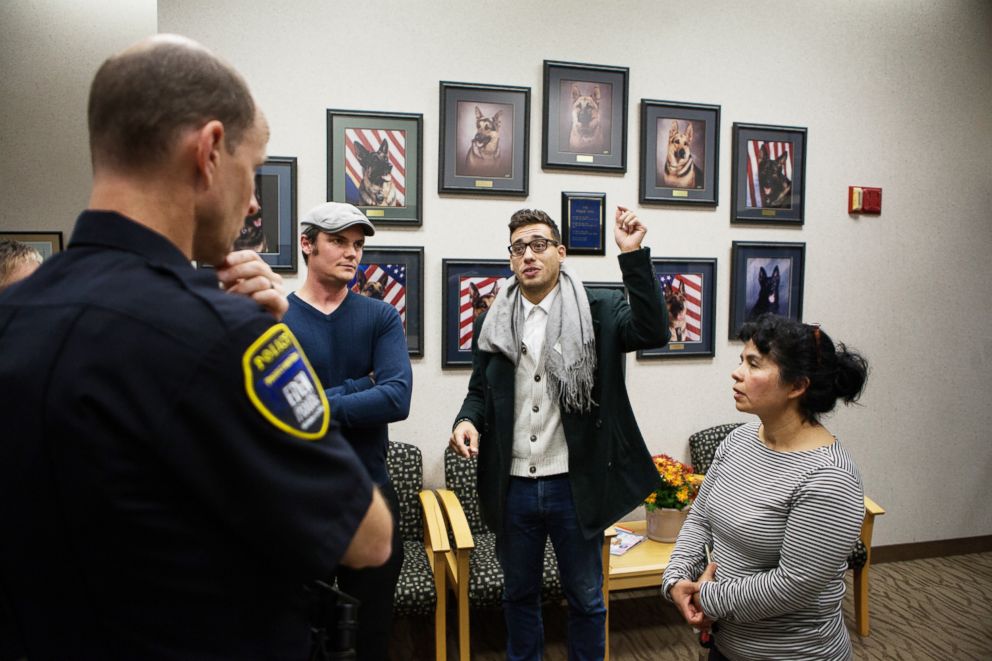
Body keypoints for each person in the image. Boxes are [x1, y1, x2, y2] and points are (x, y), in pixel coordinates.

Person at [0, 34, 393, 660]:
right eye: (254, 170)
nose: (256, 199)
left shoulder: (14, 314)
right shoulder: (229, 337)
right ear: (209, 151)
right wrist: (272, 339)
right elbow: (369, 537)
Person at [449, 207, 669, 660]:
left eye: (539, 244)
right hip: (513, 487)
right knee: (519, 597)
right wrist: (466, 422)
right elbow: (478, 394)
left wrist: (633, 256)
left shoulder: (599, 311)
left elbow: (654, 330)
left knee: (587, 599)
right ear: (510, 259)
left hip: (574, 483)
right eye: (518, 248)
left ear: (560, 253)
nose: (528, 254)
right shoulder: (494, 320)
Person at [662, 314, 870, 661]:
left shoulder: (830, 477)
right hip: (727, 645)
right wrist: (677, 577)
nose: (737, 372)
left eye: (753, 364)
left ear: (797, 386)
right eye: (740, 360)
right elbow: (700, 517)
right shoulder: (739, 440)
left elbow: (792, 585)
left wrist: (708, 598)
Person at [283, 201, 413, 660]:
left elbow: (396, 398)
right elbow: (272, 413)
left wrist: (316, 404)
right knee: (298, 638)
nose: (352, 253)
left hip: (369, 498)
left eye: (358, 244)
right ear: (307, 244)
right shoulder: (276, 318)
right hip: (299, 503)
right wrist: (362, 386)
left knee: (370, 638)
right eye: (338, 241)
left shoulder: (379, 316)